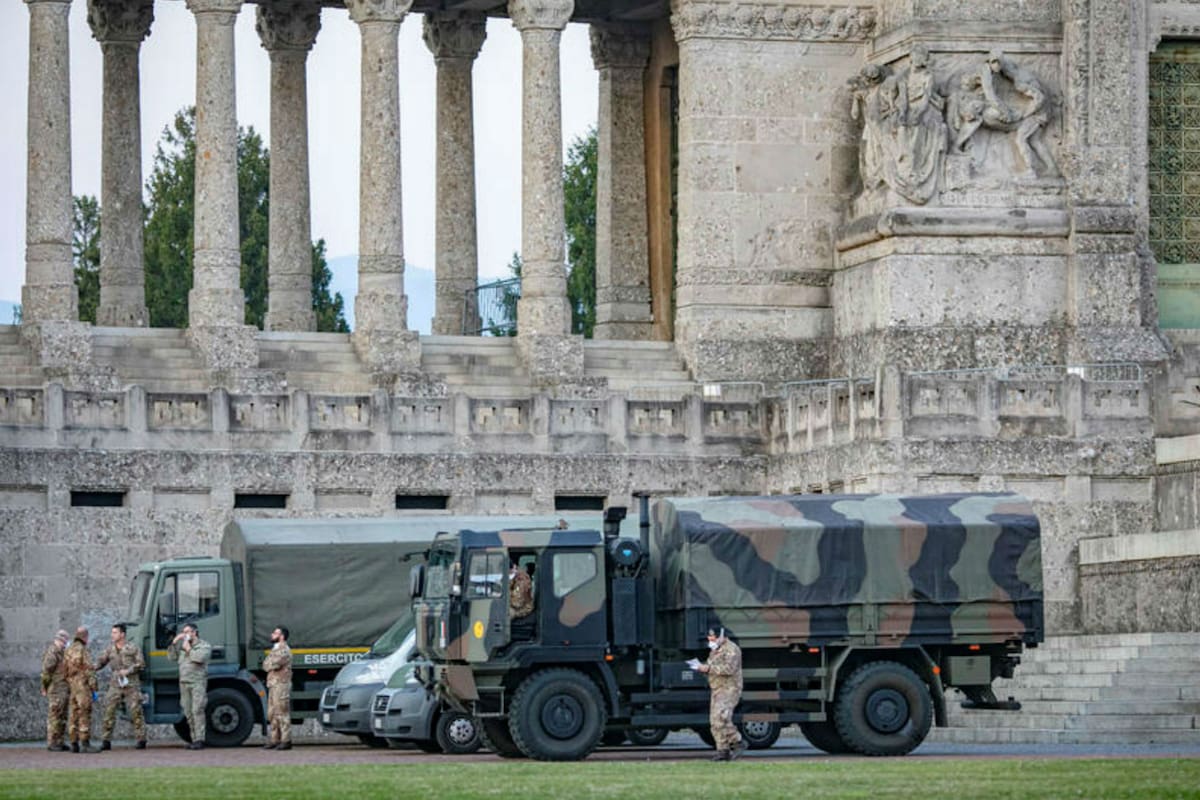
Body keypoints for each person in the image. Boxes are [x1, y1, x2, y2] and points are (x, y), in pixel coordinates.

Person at [696, 628, 745, 762]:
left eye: (713, 637)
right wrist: (702, 667)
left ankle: (738, 741)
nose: (711, 639)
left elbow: (729, 669)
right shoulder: (716, 649)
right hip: (717, 688)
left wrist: (708, 669)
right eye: (709, 637)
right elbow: (712, 665)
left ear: (722, 636)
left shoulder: (731, 649)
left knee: (722, 717)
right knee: (715, 721)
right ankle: (722, 750)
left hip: (729, 689)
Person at [96, 622, 146, 750]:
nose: (112, 635)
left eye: (115, 632)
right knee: (109, 711)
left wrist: (128, 670)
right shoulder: (110, 649)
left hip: (131, 684)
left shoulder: (133, 648)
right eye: (112, 632)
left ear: (122, 634)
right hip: (115, 684)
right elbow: (100, 663)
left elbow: (141, 664)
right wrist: (89, 668)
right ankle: (106, 740)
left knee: (136, 711)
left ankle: (141, 739)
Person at [167, 623, 211, 750]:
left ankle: (200, 739)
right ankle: (194, 739)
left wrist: (188, 649)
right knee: (188, 712)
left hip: (197, 682)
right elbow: (171, 657)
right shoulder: (183, 647)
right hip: (184, 683)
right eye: (183, 632)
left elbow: (199, 658)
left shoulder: (204, 646)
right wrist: (174, 643)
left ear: (194, 632)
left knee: (197, 710)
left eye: (187, 632)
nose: (184, 634)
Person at [62, 627, 99, 753]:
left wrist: (70, 681)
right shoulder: (83, 650)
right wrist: (94, 687)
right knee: (84, 713)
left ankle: (74, 743)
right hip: (83, 685)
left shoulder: (68, 650)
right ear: (85, 637)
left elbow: (64, 670)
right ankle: (85, 743)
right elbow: (89, 670)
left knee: (73, 714)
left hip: (72, 686)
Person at [262, 626, 293, 751]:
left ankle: (286, 740)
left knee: (282, 712)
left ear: (282, 636)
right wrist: (269, 664)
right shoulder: (275, 650)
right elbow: (265, 665)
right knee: (272, 713)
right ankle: (275, 739)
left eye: (275, 633)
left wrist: (269, 664)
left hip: (281, 684)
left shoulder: (284, 650)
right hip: (273, 684)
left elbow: (272, 664)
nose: (272, 634)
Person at [40, 629, 71, 752]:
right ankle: (52, 742)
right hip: (56, 689)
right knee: (55, 716)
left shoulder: (62, 652)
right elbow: (46, 672)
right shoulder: (52, 653)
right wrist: (44, 687)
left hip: (63, 688)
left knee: (62, 716)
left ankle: (60, 741)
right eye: (65, 640)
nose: (67, 643)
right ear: (61, 640)